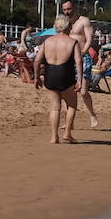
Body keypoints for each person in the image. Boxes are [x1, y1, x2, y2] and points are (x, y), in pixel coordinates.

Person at [34, 13, 82, 144]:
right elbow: (78, 61)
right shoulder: (73, 42)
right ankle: (67, 133)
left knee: (55, 108)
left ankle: (54, 137)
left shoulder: (47, 41)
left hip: (50, 75)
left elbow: (37, 60)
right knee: (72, 105)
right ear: (68, 26)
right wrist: (80, 79)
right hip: (66, 75)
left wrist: (37, 77)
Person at [59, 0, 99, 128]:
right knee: (69, 92)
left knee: (83, 91)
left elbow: (89, 39)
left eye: (69, 9)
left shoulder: (84, 21)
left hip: (83, 57)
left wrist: (83, 52)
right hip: (69, 59)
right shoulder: (64, 23)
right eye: (64, 10)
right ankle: (69, 122)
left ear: (74, 8)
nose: (67, 12)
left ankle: (92, 114)